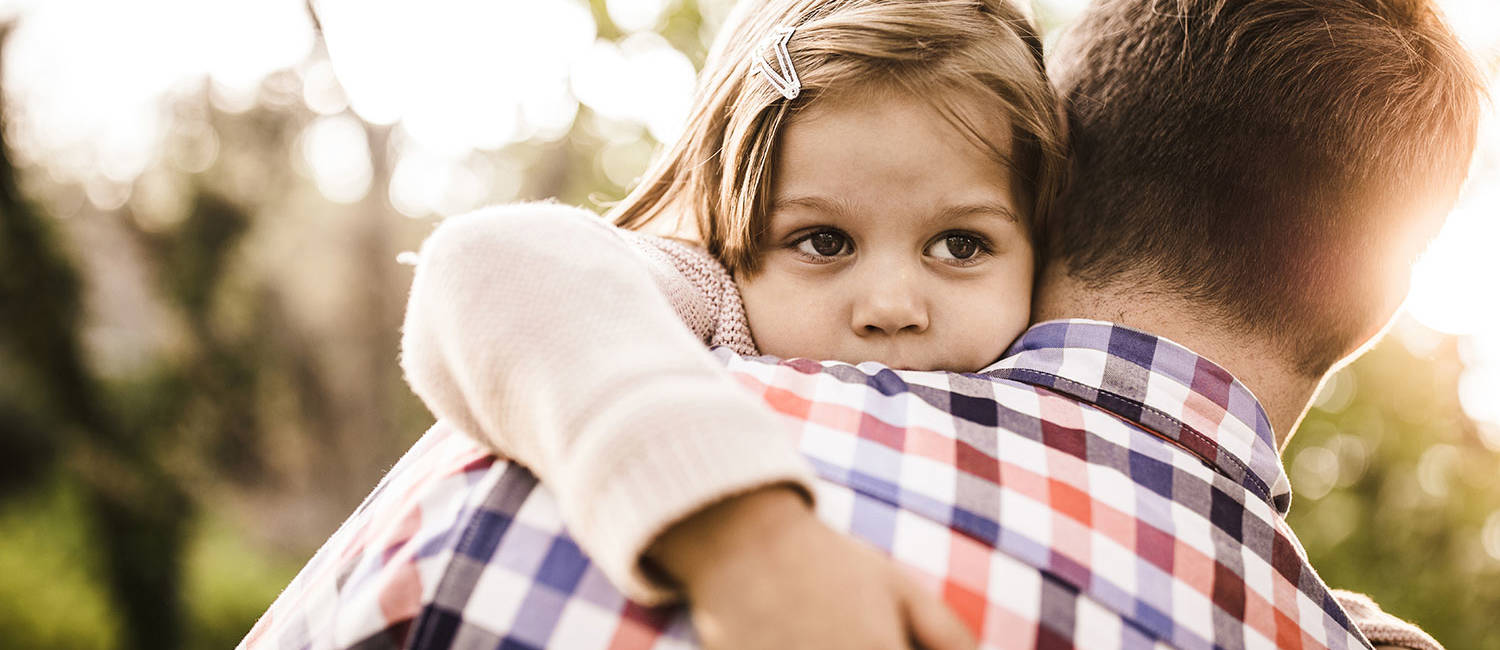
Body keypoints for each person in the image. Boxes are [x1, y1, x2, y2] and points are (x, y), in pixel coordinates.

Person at [242, 0, 1480, 648]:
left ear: (1056, 203)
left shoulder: (508, 485)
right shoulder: (682, 342)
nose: (889, 304)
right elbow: (501, 257)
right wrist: (743, 539)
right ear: (1372, 304)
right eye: (821, 240)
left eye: (959, 244)